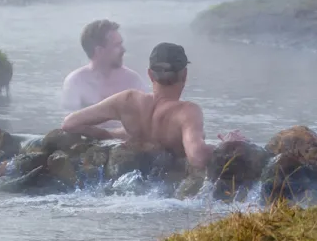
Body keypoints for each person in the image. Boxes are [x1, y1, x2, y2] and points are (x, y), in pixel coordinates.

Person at [61, 42, 241, 177]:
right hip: (167, 189)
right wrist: (226, 146)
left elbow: (70, 123)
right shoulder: (187, 112)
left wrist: (106, 135)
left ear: (150, 74)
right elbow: (198, 157)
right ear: (184, 74)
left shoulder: (127, 100)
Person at [60, 19, 149, 112]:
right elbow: (69, 122)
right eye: (117, 45)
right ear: (99, 51)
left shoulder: (132, 81)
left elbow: (146, 118)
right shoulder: (76, 81)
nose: (123, 50)